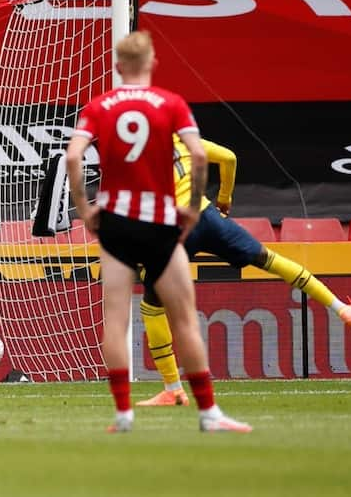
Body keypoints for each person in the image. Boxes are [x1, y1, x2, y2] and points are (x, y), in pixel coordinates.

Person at [65, 31, 251, 433]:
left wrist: (85, 209)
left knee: (115, 320)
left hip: (115, 223)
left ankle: (122, 414)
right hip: (160, 224)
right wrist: (191, 208)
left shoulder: (100, 106)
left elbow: (73, 156)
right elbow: (200, 155)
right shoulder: (171, 104)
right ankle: (208, 414)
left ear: (117, 67)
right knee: (183, 318)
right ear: (151, 64)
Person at [137, 136, 351, 406]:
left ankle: (173, 389)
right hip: (207, 217)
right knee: (269, 259)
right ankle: (342, 308)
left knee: (152, 307)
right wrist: (224, 200)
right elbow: (229, 157)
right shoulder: (181, 138)